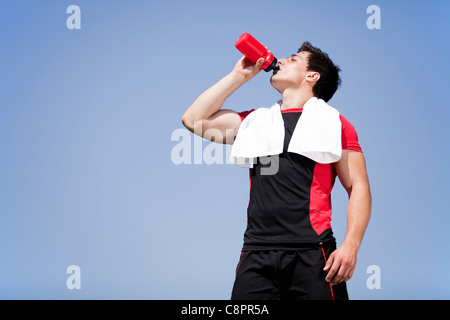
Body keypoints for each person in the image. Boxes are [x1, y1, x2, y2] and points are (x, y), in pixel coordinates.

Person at [181, 41, 372, 300]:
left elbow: (358, 187)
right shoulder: (254, 122)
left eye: (293, 59)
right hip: (256, 254)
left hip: (314, 254)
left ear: (312, 76)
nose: (280, 61)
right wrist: (238, 76)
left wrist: (351, 245)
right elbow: (194, 120)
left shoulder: (335, 123)